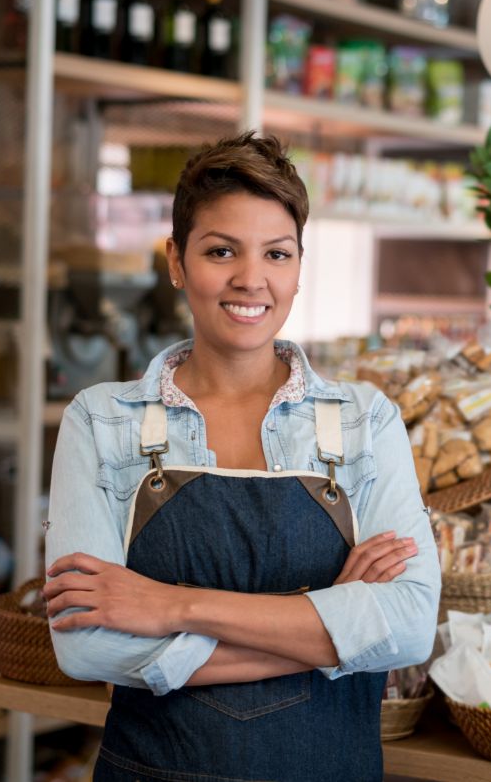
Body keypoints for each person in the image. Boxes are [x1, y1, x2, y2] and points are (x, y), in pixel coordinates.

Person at [42, 132, 440, 782]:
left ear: (299, 267)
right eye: (220, 250)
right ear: (176, 260)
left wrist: (171, 607)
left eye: (276, 254)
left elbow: (406, 628)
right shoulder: (102, 419)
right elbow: (86, 645)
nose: (250, 279)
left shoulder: (364, 420)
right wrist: (329, 619)